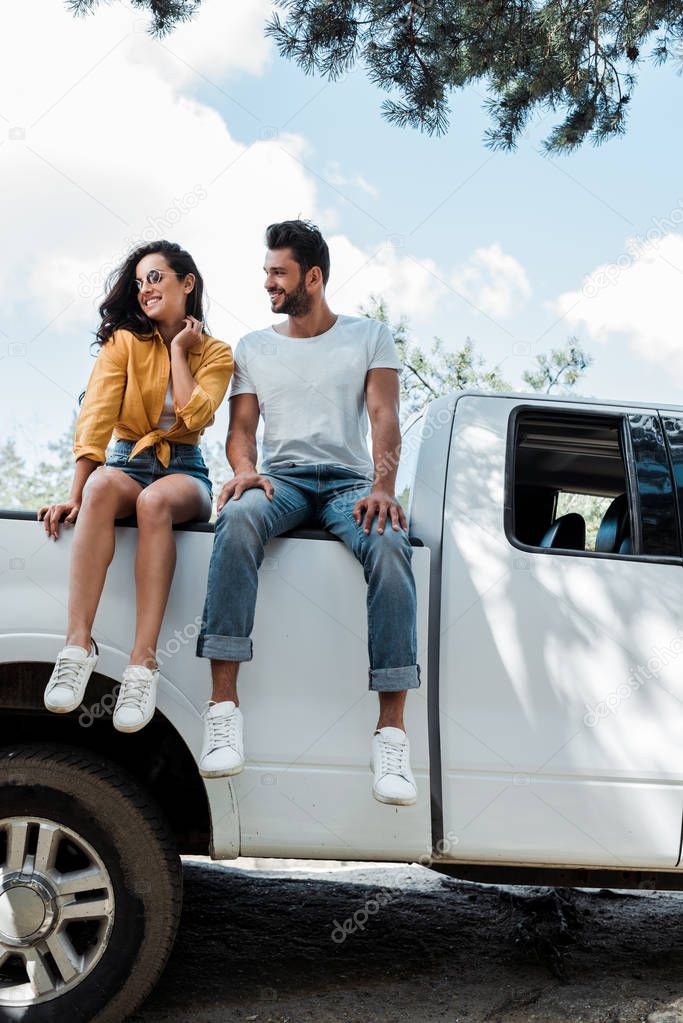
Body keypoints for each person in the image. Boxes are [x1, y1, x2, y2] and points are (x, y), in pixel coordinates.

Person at [196, 219, 420, 806]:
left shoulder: (369, 336)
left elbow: (383, 418)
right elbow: (241, 430)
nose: (268, 282)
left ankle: (391, 733)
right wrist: (245, 470)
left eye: (278, 272)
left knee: (393, 544)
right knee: (239, 518)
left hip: (349, 484)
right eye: (266, 271)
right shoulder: (254, 348)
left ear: (313, 277)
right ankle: (223, 710)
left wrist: (384, 486)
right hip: (284, 482)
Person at [38, 240, 233, 733]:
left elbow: (196, 416)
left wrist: (178, 352)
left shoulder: (217, 353)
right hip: (127, 459)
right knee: (105, 487)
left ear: (187, 283)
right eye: (141, 281)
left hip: (185, 470)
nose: (146, 289)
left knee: (154, 501)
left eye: (157, 278)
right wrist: (77, 493)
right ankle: (78, 646)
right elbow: (97, 414)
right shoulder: (123, 342)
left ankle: (143, 665)